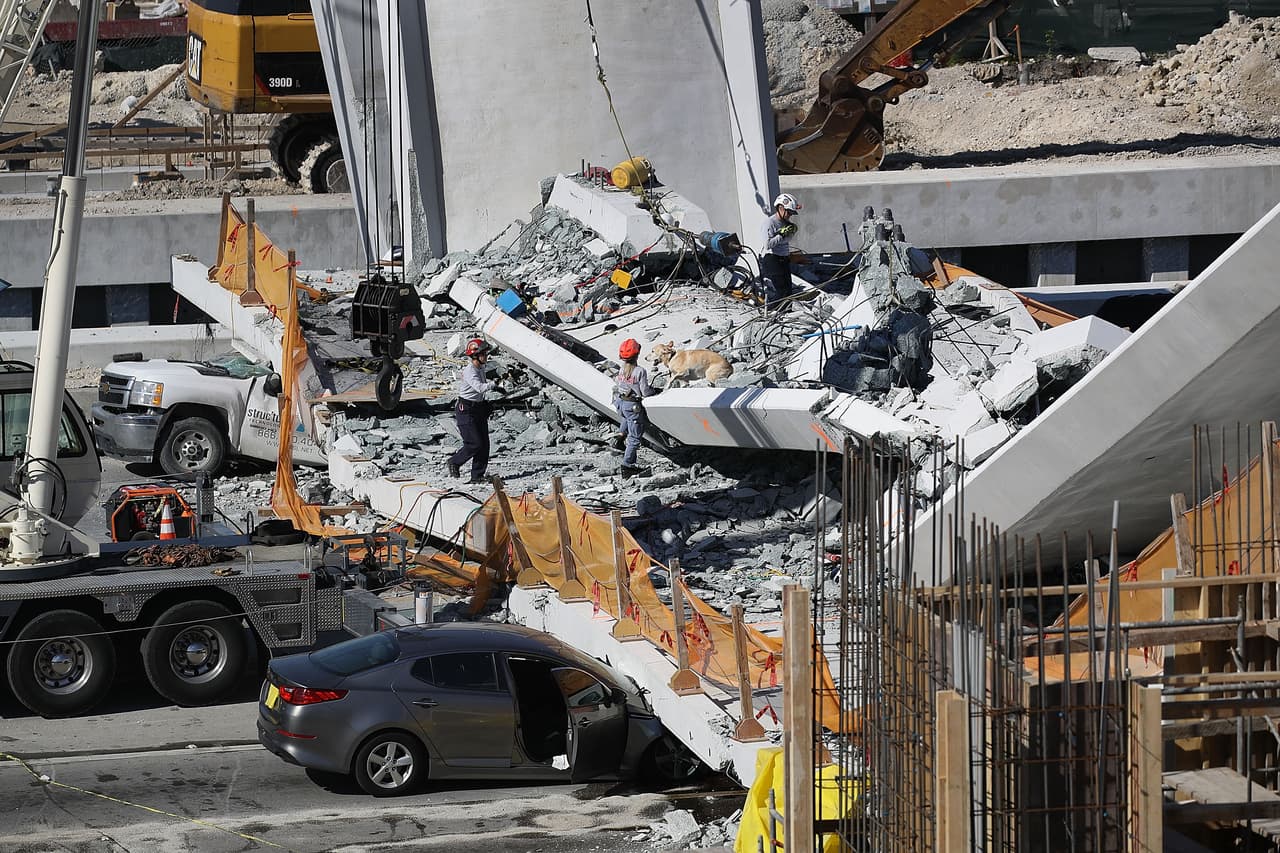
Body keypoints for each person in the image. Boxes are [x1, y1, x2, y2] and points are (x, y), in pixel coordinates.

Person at [447, 338, 496, 484]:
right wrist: (496, 383)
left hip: (478, 407)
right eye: (484, 354)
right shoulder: (470, 371)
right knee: (474, 443)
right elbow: (480, 387)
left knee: (484, 444)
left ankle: (477, 475)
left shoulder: (480, 368)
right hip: (466, 409)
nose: (486, 356)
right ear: (476, 356)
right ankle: (455, 461)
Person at [613, 338, 653, 477]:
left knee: (625, 418)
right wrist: (654, 392)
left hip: (621, 402)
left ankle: (619, 437)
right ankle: (627, 465)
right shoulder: (640, 371)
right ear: (637, 354)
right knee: (635, 437)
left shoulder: (621, 369)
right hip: (632, 405)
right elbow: (644, 392)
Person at [758, 192, 801, 309]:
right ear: (780, 208)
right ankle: (773, 313)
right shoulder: (769, 223)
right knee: (779, 292)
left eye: (791, 213)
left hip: (784, 259)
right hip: (772, 260)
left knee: (787, 291)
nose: (789, 216)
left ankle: (786, 313)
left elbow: (786, 240)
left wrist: (791, 232)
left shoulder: (785, 222)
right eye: (788, 212)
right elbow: (767, 245)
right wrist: (781, 235)